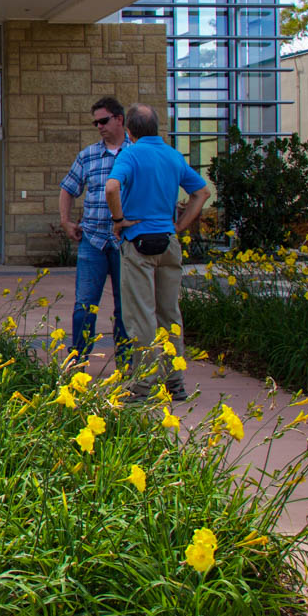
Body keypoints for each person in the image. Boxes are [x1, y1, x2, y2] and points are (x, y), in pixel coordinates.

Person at [104, 103, 210, 400]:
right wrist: (179, 226)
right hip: (167, 241)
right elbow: (202, 192)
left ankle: (142, 386)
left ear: (129, 130)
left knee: (140, 316)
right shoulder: (173, 156)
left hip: (138, 241)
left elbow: (112, 188)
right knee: (169, 314)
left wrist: (118, 220)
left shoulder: (130, 154)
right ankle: (175, 382)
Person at [59, 96, 132, 361]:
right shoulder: (88, 155)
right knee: (84, 304)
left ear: (119, 119)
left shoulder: (136, 153)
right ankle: (77, 359)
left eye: (103, 120)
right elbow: (68, 188)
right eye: (96, 123)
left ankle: (126, 360)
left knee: (126, 306)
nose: (99, 127)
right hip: (93, 239)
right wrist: (66, 221)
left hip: (126, 241)